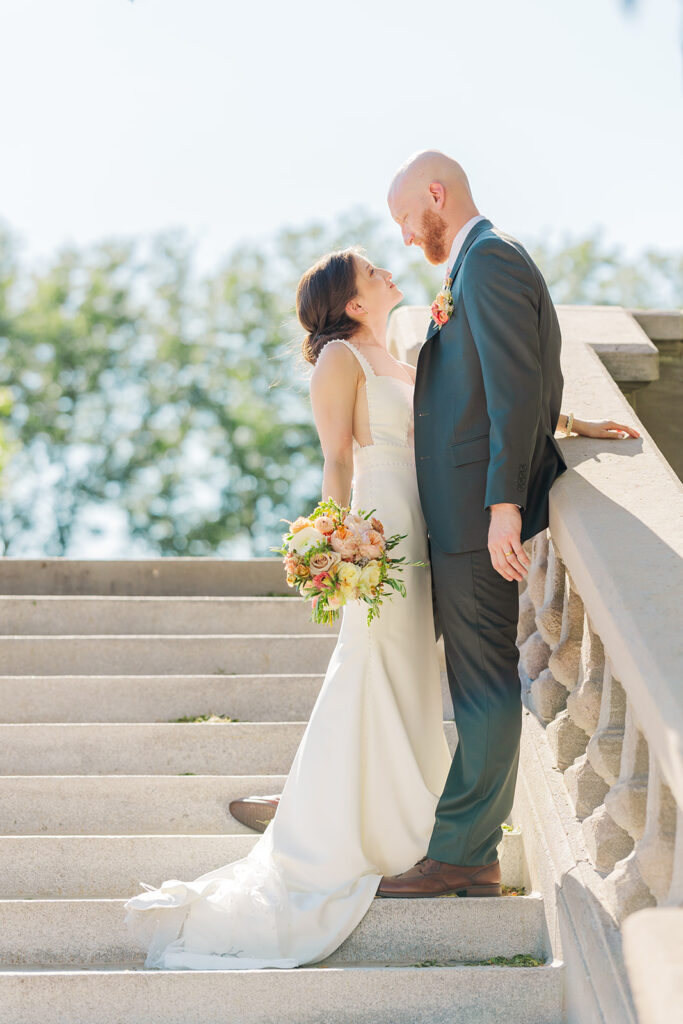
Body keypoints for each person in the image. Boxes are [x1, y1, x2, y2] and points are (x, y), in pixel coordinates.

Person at [123, 172, 639, 969]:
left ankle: (374, 815)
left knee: (400, 677)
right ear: (354, 300)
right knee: (369, 667)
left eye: (400, 228)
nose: (393, 259)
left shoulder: (404, 348)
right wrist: (336, 547)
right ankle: (321, 815)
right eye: (374, 267)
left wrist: (564, 424)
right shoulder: (338, 359)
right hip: (382, 535)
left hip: (431, 527)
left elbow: (475, 398)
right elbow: (335, 463)